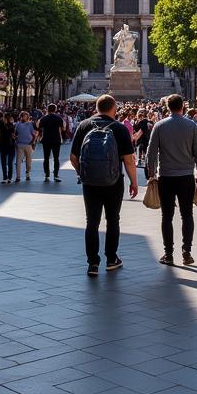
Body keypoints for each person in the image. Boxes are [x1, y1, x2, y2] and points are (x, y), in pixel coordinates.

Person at [69, 94, 138, 276]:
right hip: (114, 182)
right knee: (112, 219)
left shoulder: (84, 125)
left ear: (97, 108)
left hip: (90, 182)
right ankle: (111, 259)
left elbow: (73, 157)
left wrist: (81, 172)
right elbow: (129, 160)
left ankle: (93, 263)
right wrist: (134, 182)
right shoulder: (119, 128)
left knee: (92, 222)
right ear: (113, 109)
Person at [147, 94, 197, 267]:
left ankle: (168, 253)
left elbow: (151, 152)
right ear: (183, 107)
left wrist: (151, 173)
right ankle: (187, 252)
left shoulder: (159, 125)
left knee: (167, 216)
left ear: (168, 107)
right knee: (187, 215)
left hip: (166, 177)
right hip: (186, 176)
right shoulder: (192, 125)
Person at [38, 104, 65, 183]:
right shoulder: (58, 118)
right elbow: (63, 128)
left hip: (46, 140)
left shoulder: (44, 118)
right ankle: (56, 175)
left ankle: (47, 175)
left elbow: (39, 126)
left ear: (47, 109)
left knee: (46, 158)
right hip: (56, 140)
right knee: (56, 158)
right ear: (55, 109)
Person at [13, 111, 37, 182]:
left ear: (27, 117)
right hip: (19, 145)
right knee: (18, 162)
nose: (23, 117)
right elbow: (14, 134)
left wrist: (32, 143)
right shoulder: (17, 124)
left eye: (25, 116)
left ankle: (27, 173)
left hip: (28, 145)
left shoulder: (30, 124)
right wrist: (15, 138)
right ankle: (18, 177)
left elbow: (34, 135)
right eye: (22, 115)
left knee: (28, 162)